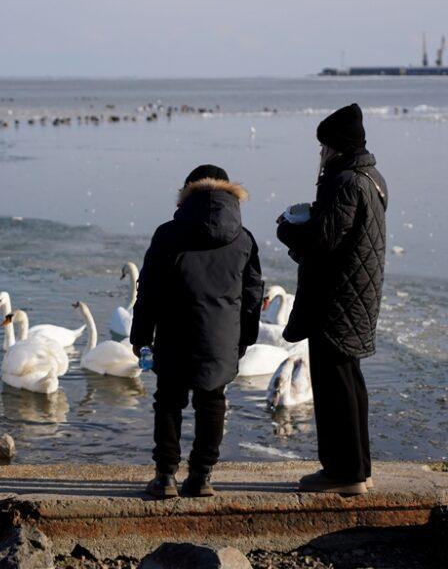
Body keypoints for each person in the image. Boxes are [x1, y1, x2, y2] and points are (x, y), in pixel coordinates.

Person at [131, 165, 263, 499]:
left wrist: (141, 336)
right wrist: (244, 338)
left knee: (169, 402)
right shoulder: (243, 239)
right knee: (212, 401)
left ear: (187, 192)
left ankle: (165, 478)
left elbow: (148, 289)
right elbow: (252, 296)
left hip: (175, 330)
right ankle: (202, 476)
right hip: (221, 336)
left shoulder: (168, 234)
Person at [277, 103, 387, 495]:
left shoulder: (343, 182)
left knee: (334, 385)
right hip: (358, 293)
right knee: (349, 382)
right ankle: (358, 469)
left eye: (323, 145)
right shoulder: (372, 178)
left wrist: (288, 231)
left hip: (336, 297)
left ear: (336, 146)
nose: (320, 153)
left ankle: (343, 473)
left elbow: (325, 240)